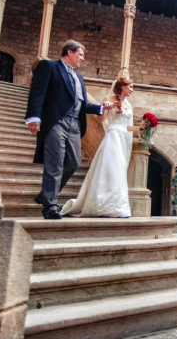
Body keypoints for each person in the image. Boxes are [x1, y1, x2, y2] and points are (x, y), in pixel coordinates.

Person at [25, 40, 112, 220]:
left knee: (73, 162)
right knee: (55, 162)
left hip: (75, 125)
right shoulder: (49, 66)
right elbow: (38, 91)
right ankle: (50, 205)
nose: (82, 59)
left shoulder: (79, 78)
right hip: (56, 121)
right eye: (80, 55)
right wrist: (34, 116)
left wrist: (101, 108)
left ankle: (45, 194)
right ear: (69, 52)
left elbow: (81, 104)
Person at [60, 77, 139, 218]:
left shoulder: (128, 105)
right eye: (130, 86)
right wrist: (107, 108)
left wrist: (140, 127)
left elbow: (126, 127)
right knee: (110, 170)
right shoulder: (108, 99)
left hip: (122, 139)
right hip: (112, 138)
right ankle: (101, 204)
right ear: (122, 87)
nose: (132, 89)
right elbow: (100, 120)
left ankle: (118, 207)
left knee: (120, 170)